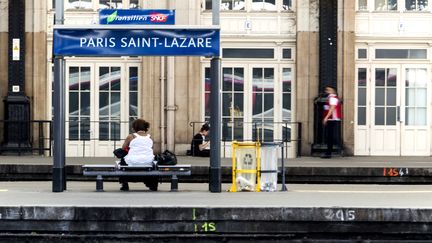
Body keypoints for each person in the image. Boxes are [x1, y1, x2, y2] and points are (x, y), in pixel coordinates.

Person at [119, 119, 157, 191]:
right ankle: (151, 183)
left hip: (133, 161)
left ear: (135, 127)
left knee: (122, 161)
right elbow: (152, 149)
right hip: (148, 160)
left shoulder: (131, 136)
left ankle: (124, 183)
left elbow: (123, 148)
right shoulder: (150, 137)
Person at [321, 85, 342, 159]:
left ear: (333, 91)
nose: (327, 91)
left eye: (329, 90)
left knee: (330, 136)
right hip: (332, 119)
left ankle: (328, 153)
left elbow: (332, 108)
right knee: (330, 136)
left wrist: (326, 118)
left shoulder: (332, 98)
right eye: (326, 90)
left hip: (332, 119)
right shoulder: (331, 98)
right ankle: (329, 152)